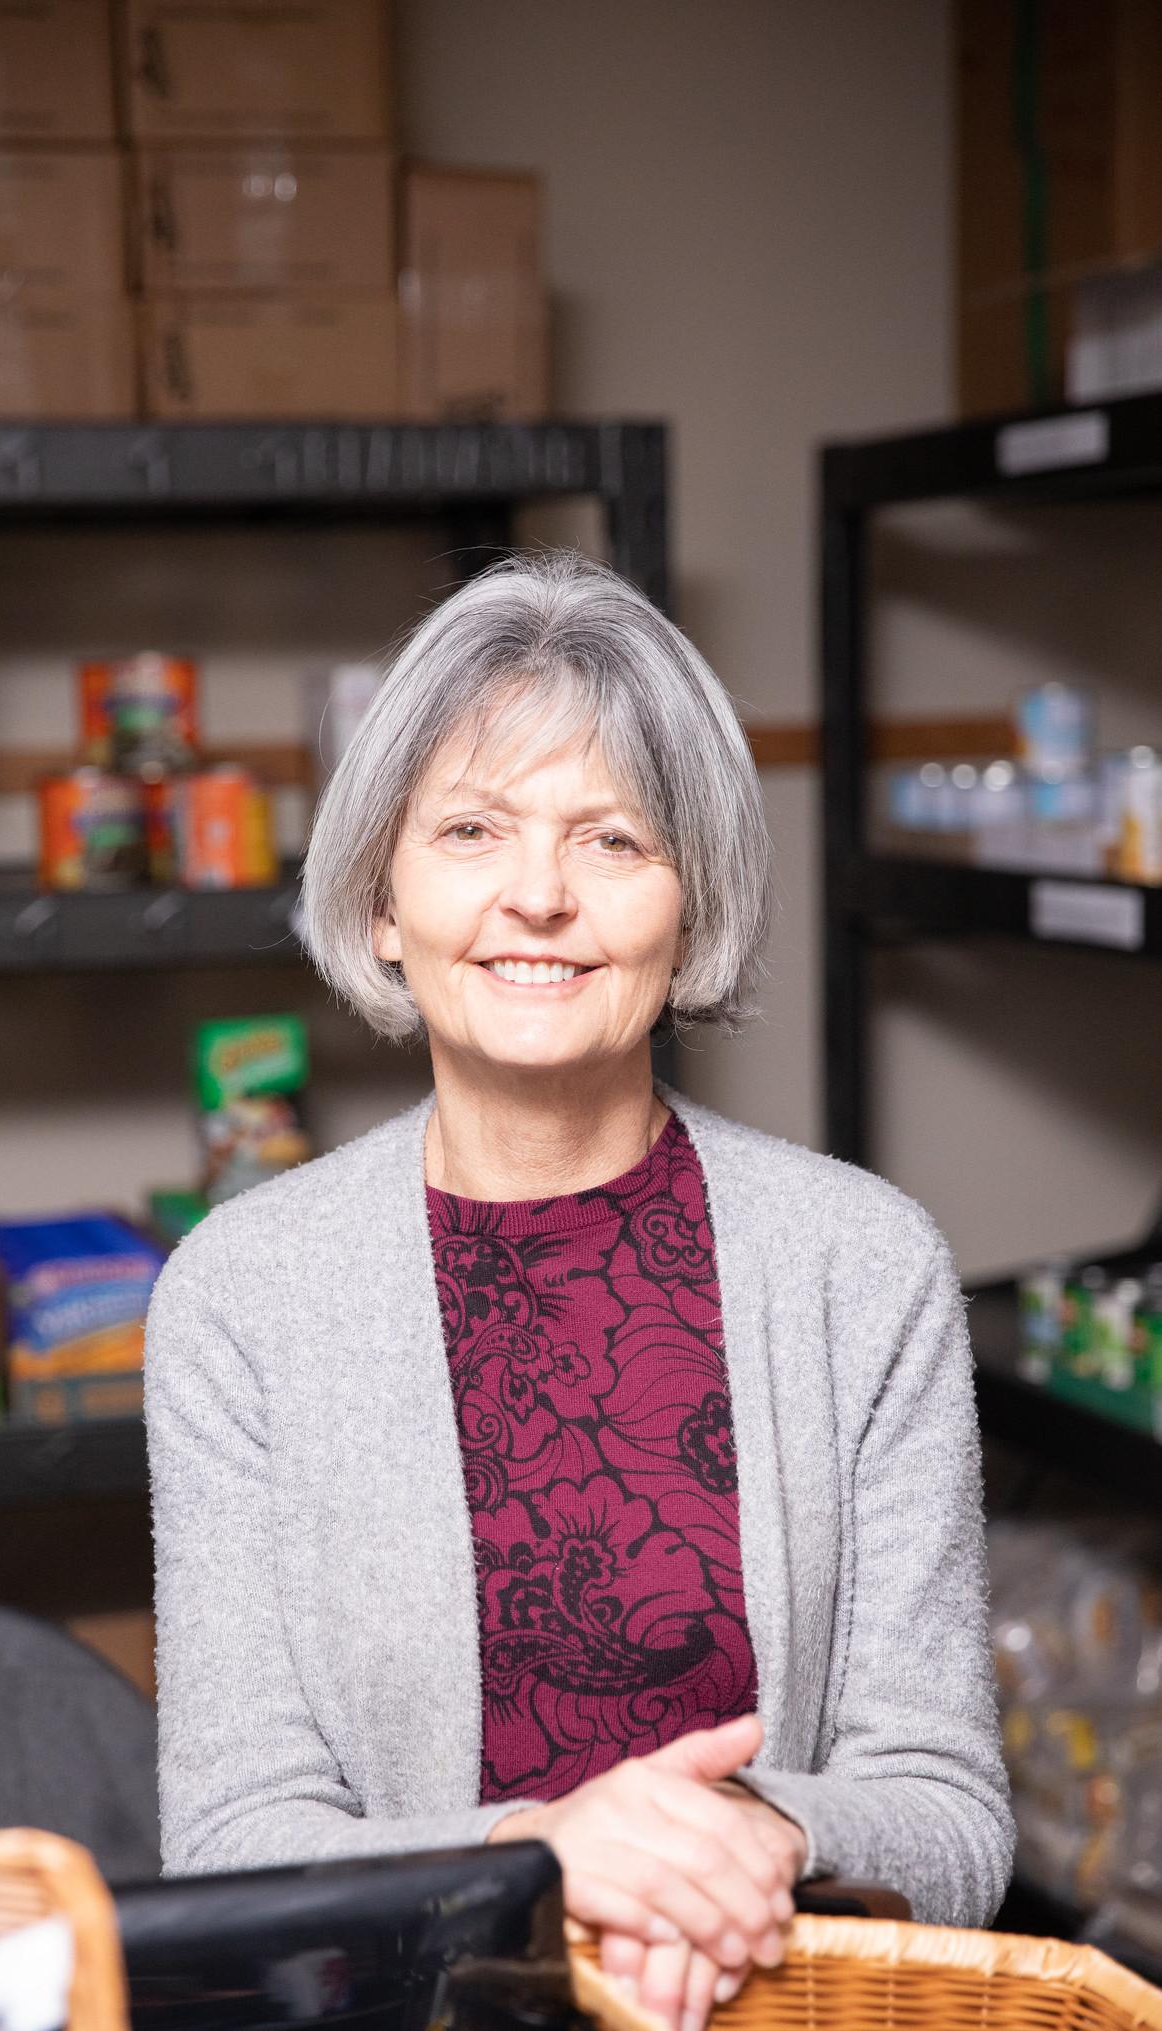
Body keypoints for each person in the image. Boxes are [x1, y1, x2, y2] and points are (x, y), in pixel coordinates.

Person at [143, 552, 1014, 2031]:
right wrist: (538, 1851)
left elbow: (948, 1817)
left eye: (612, 841)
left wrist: (749, 1838)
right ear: (378, 903)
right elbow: (230, 1843)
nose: (536, 896)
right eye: (472, 830)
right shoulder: (243, 1294)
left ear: (690, 911)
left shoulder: (859, 1265)